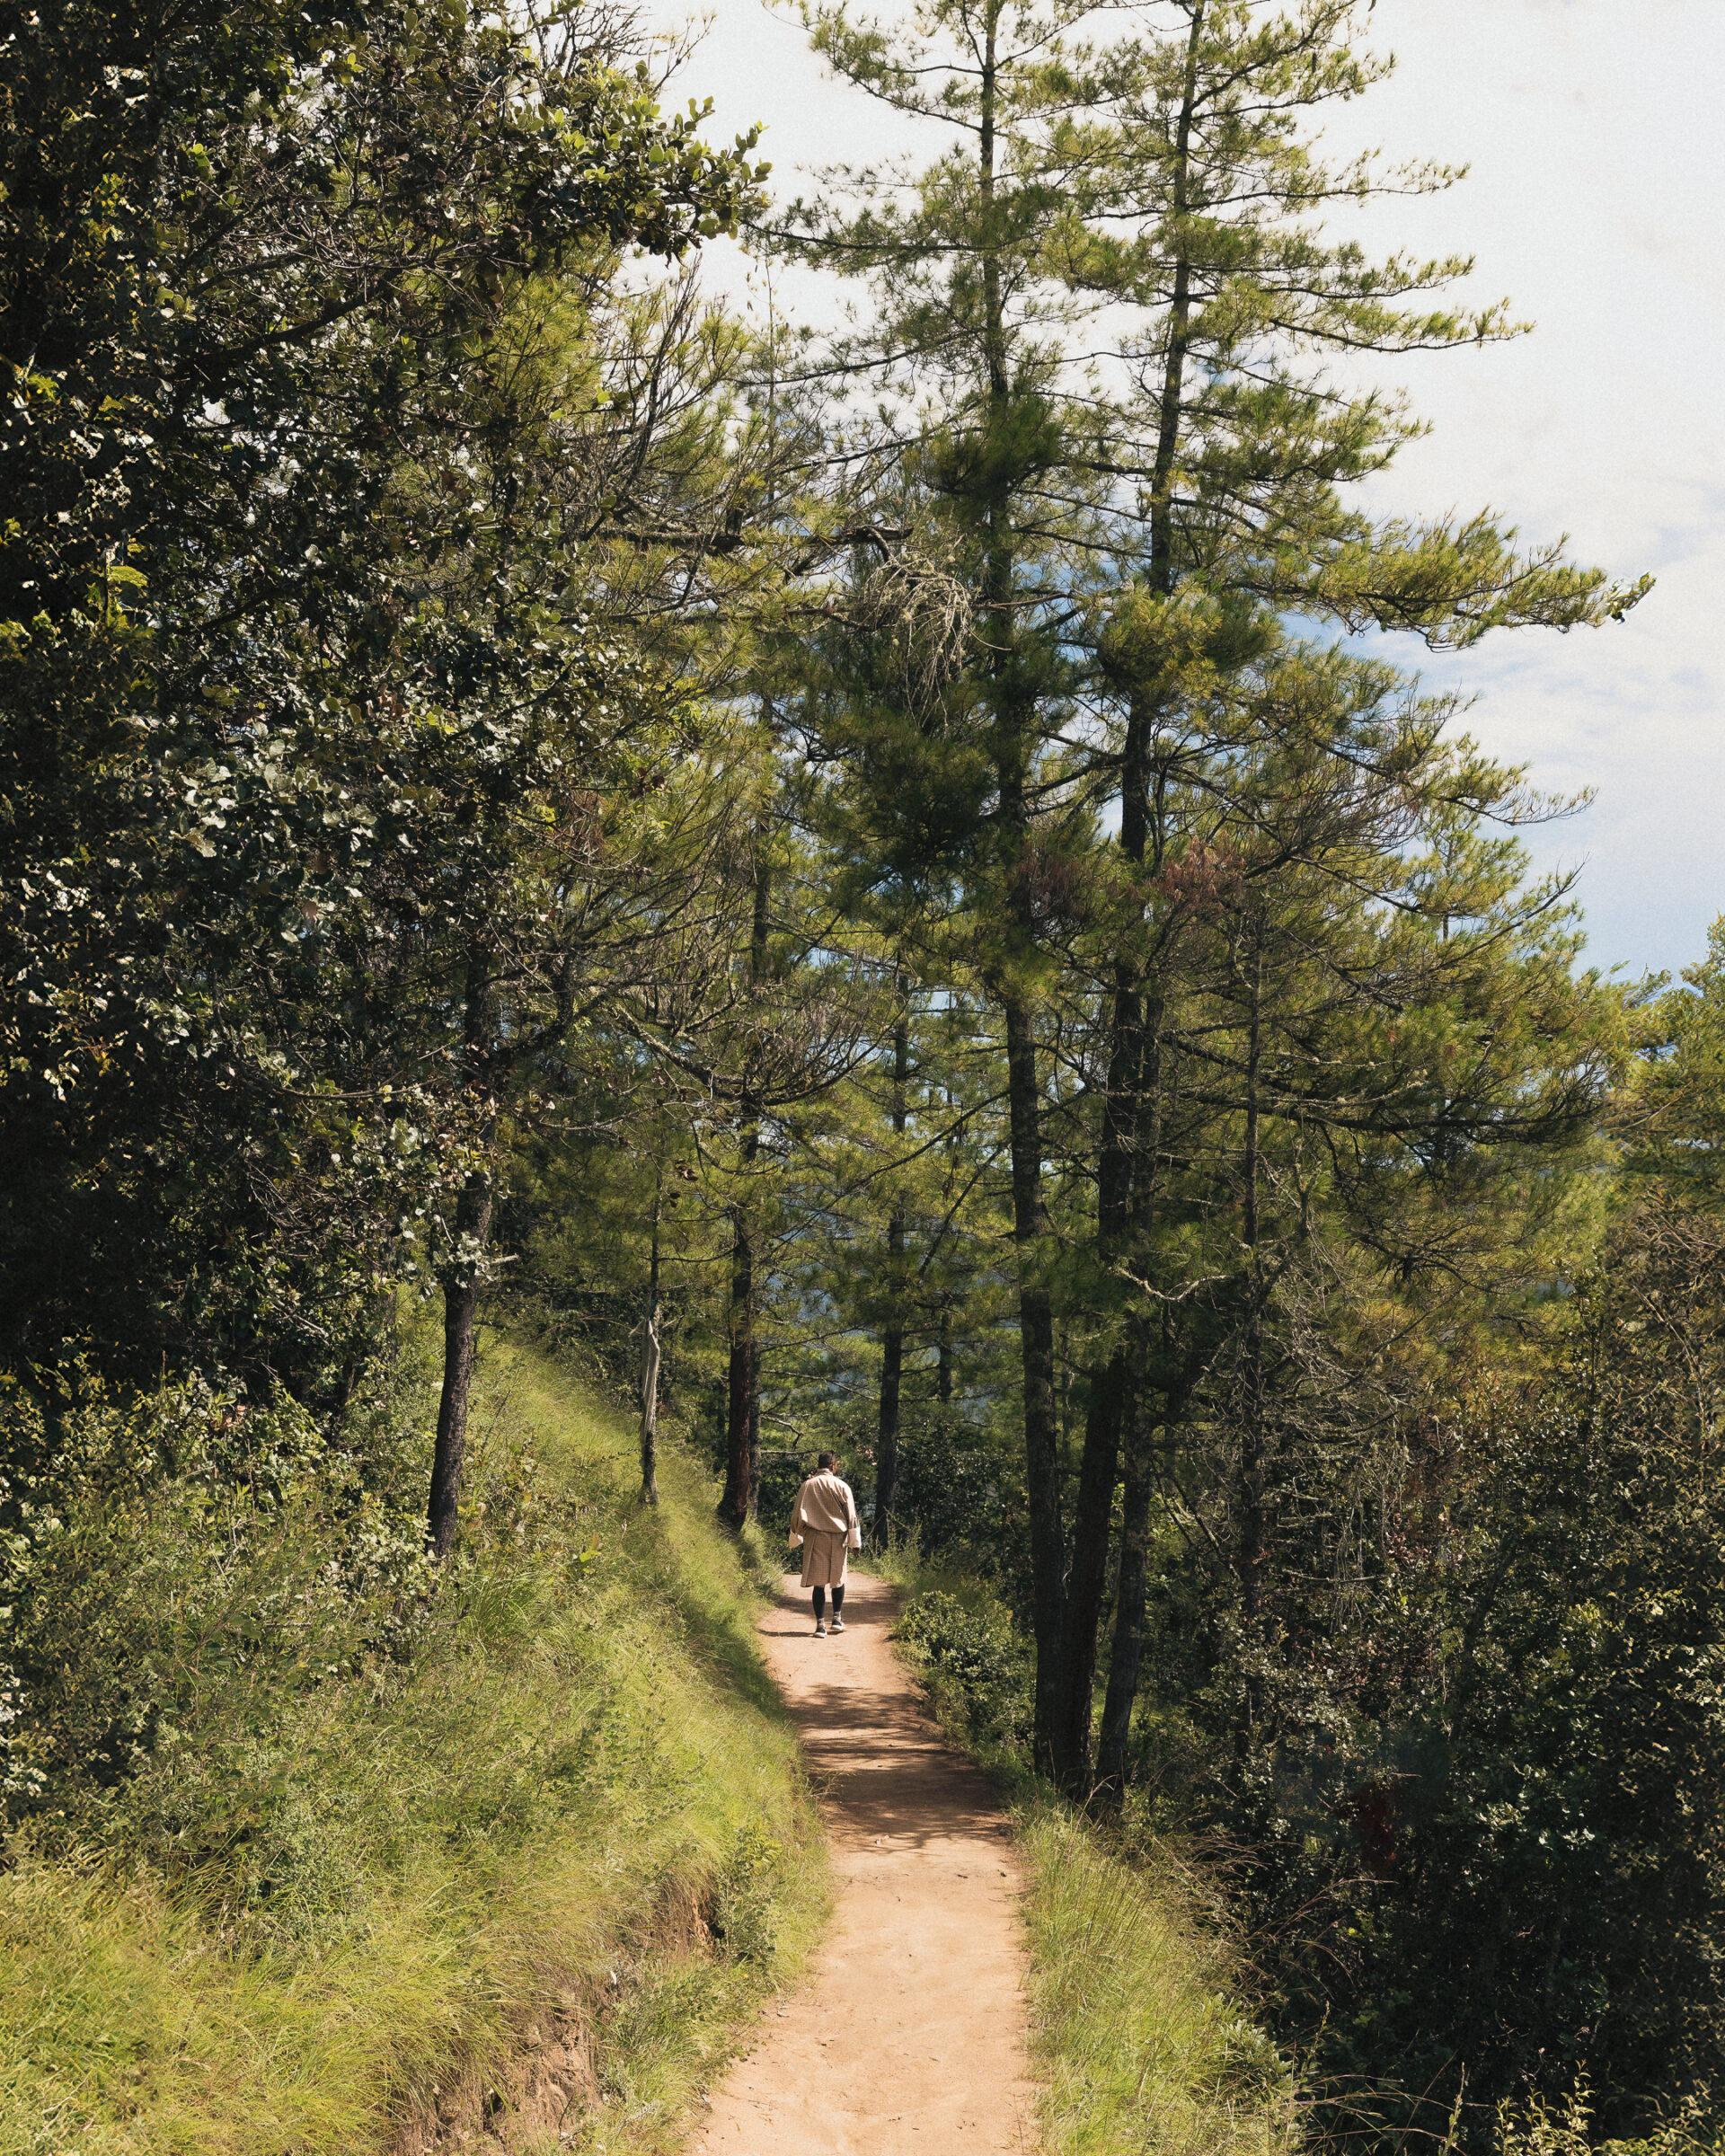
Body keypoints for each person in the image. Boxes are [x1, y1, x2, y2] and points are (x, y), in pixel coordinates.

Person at [788, 1450, 862, 1635]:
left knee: (818, 1583)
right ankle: (837, 1619)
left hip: (815, 1537)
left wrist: (797, 1535)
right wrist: (855, 1543)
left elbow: (797, 1513)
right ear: (832, 1465)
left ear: (819, 1465)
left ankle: (820, 1625)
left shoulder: (807, 1485)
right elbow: (851, 1516)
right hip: (839, 1537)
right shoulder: (842, 1486)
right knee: (838, 1579)